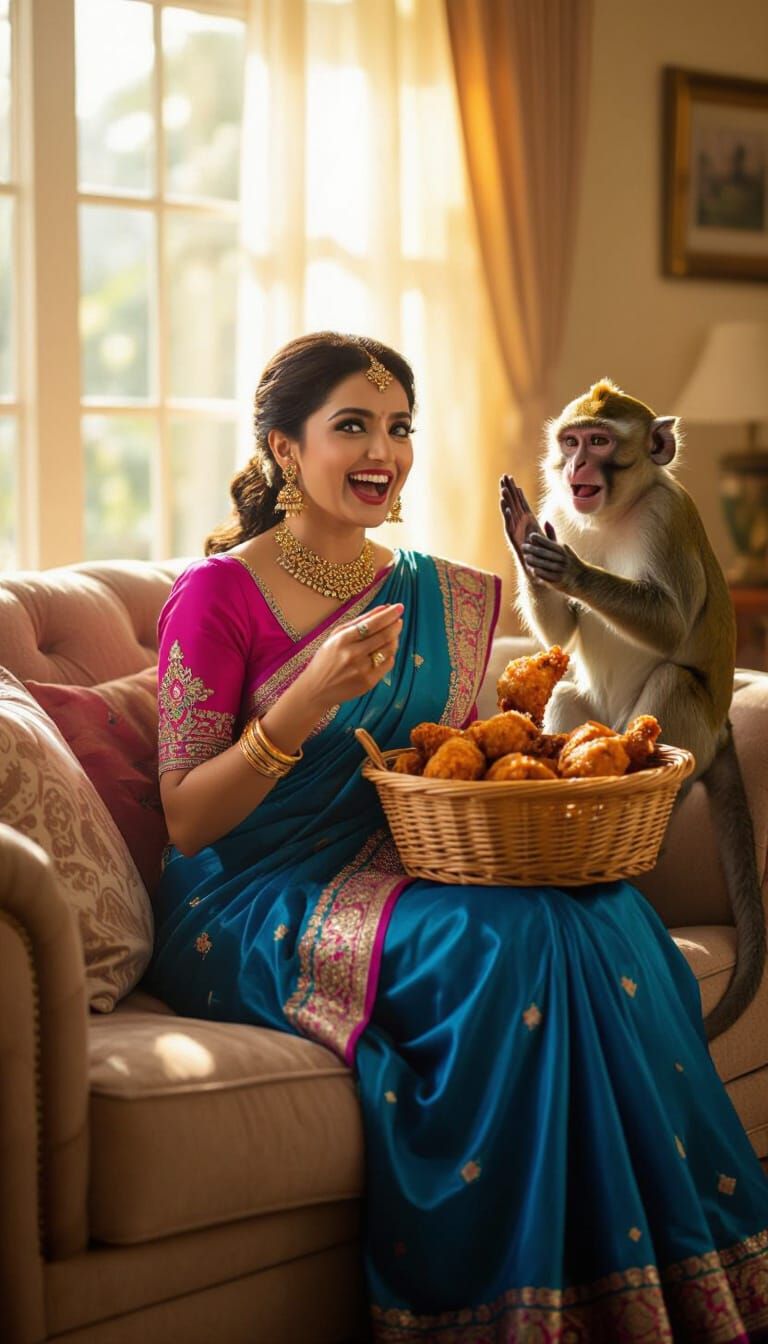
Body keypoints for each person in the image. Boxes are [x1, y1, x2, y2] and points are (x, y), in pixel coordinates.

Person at [146, 331, 768, 1343]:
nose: (382, 448)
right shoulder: (217, 596)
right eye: (351, 424)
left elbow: (456, 763)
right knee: (507, 944)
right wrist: (305, 701)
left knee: (603, 917)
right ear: (282, 450)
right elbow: (185, 820)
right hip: (254, 897)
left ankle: (657, 1298)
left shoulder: (430, 588)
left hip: (410, 863)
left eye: (398, 426)